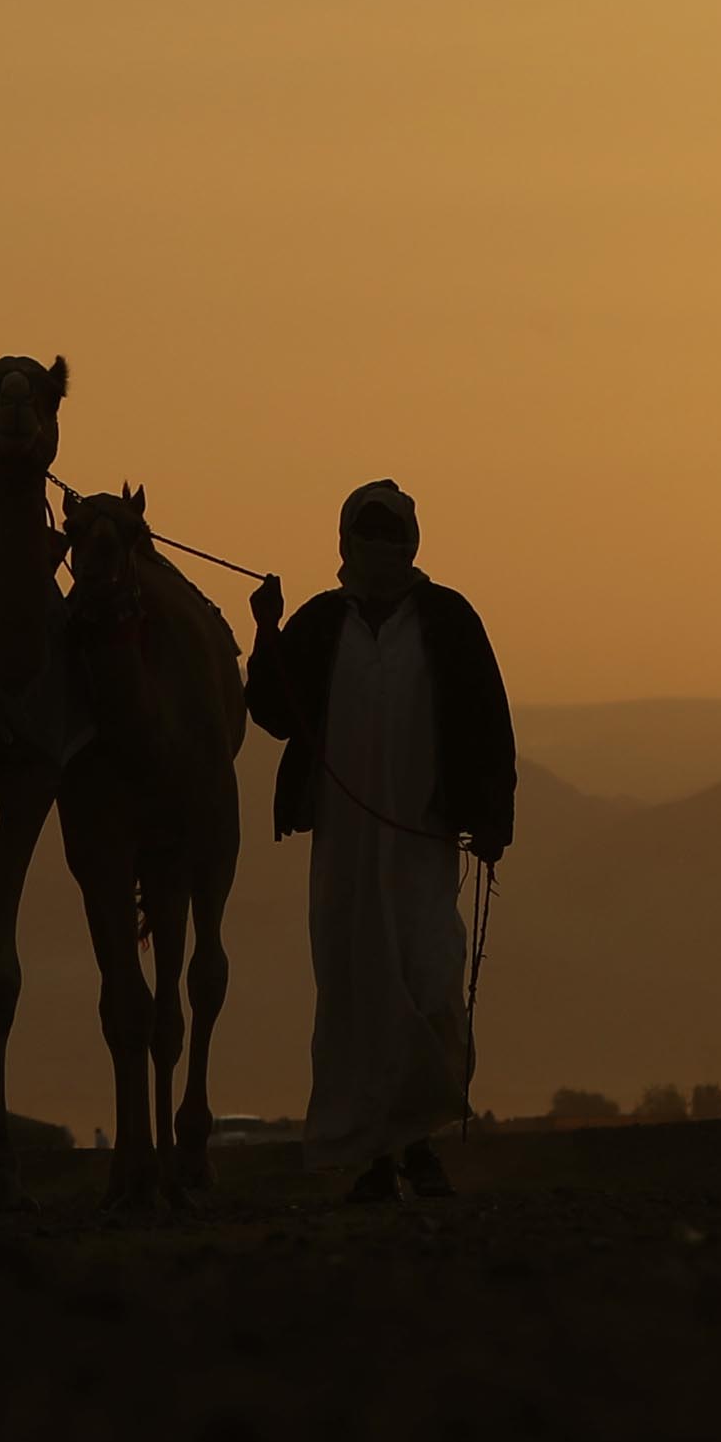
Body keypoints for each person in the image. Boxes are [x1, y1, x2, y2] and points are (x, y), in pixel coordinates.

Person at [244, 480, 515, 1201]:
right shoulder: (320, 623)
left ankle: (416, 1139)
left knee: (429, 975)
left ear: (413, 544)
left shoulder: (448, 620)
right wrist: (266, 629)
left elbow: (489, 719)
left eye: (393, 535)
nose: (382, 547)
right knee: (355, 988)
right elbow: (272, 709)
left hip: (424, 839)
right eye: (369, 534)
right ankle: (371, 1158)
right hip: (344, 845)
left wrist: (492, 820)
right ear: (344, 543)